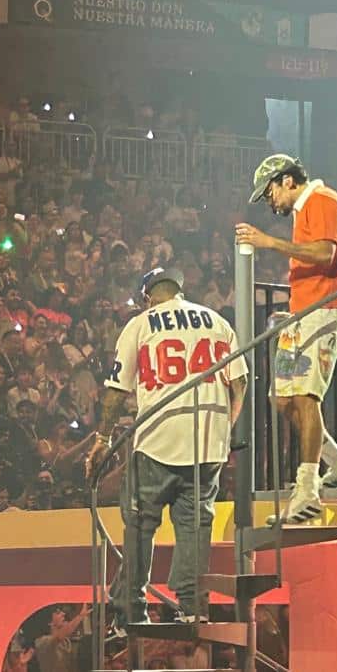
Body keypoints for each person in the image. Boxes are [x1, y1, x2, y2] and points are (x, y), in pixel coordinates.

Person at [86, 267, 248, 629]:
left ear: (148, 297)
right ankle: (192, 607)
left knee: (140, 524)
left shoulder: (141, 324)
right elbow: (240, 384)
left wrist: (102, 440)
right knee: (195, 526)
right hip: (208, 443)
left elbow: (117, 391)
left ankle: (130, 609)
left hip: (158, 440)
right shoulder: (217, 322)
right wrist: (223, 429)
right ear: (179, 290)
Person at [237, 154, 337, 522]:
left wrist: (269, 242)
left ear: (287, 180)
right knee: (281, 398)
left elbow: (325, 253)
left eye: (270, 192)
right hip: (304, 313)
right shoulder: (303, 210)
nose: (269, 201)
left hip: (325, 310)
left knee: (305, 396)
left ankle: (307, 491)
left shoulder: (322, 200)